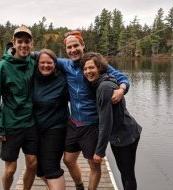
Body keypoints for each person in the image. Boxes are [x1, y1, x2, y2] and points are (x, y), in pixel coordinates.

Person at [55, 31, 130, 190]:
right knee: (68, 160)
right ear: (66, 50)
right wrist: (12, 51)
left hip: (92, 126)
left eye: (76, 45)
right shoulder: (64, 64)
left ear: (83, 46)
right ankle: (79, 186)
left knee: (94, 164)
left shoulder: (92, 64)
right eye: (69, 47)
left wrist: (122, 89)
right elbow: (42, 57)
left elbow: (122, 78)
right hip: (73, 124)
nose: (73, 49)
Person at [80, 52, 142, 190]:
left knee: (127, 175)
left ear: (100, 68)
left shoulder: (104, 87)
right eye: (85, 69)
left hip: (124, 136)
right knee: (126, 173)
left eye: (91, 68)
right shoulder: (102, 82)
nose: (88, 71)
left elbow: (105, 122)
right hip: (128, 131)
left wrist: (100, 151)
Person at [0, 25, 38, 190]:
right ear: (13, 44)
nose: (23, 45)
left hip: (30, 124)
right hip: (10, 125)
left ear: (32, 44)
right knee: (10, 169)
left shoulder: (34, 62)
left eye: (27, 42)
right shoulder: (2, 67)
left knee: (32, 163)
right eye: (20, 41)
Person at [33, 49, 69, 190]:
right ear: (37, 64)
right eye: (42, 62)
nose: (45, 65)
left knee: (51, 168)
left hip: (56, 128)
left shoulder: (63, 79)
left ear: (55, 64)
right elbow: (20, 57)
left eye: (49, 62)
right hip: (36, 128)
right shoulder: (34, 78)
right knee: (38, 168)